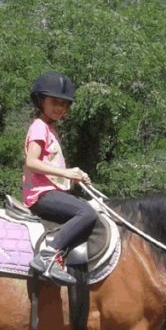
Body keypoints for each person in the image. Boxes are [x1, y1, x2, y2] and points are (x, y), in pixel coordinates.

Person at [22, 72, 98, 286]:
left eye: (64, 104)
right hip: (41, 195)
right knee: (87, 213)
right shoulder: (39, 127)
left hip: (50, 191)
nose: (60, 108)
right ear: (41, 100)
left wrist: (74, 178)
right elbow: (31, 162)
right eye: (54, 102)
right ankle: (48, 255)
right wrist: (66, 173)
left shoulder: (50, 129)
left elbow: (51, 169)